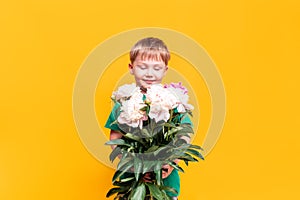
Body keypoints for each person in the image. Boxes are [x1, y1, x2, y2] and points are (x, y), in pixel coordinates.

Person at [105, 37, 192, 200]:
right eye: (142, 67)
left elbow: (184, 135)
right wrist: (134, 166)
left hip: (165, 184)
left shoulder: (173, 101)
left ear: (165, 70)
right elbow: (115, 137)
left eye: (157, 68)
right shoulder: (124, 102)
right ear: (131, 68)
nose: (149, 73)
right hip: (133, 182)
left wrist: (170, 162)